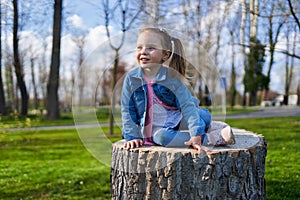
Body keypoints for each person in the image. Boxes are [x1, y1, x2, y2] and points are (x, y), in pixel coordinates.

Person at [121, 27, 235, 152]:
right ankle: (211, 137)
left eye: (151, 48)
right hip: (154, 128)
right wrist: (132, 136)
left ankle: (205, 125)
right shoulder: (132, 79)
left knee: (203, 117)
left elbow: (187, 105)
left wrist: (195, 132)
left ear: (165, 55)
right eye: (139, 47)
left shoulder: (172, 78)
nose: (143, 51)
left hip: (177, 116)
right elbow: (127, 109)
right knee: (163, 137)